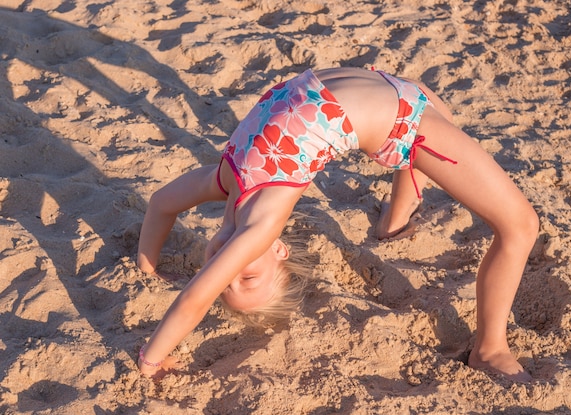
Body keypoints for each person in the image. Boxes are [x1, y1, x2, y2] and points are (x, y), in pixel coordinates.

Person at [135, 67, 539, 382]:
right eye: (248, 281)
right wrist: (151, 265)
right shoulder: (241, 197)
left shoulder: (233, 194)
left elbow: (163, 213)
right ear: (278, 250)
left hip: (390, 97)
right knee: (521, 226)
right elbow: (164, 212)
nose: (228, 272)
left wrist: (147, 274)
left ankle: (400, 222)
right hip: (393, 105)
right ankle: (488, 348)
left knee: (515, 224)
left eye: (225, 281)